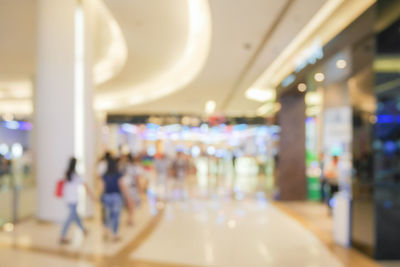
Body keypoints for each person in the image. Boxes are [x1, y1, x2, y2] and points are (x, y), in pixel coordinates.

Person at [60, 157, 95, 244]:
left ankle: (83, 230)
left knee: (76, 216)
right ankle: (62, 236)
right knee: (70, 218)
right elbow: (86, 186)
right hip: (74, 200)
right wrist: (92, 196)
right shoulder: (76, 176)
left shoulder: (67, 174)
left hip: (68, 199)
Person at [101, 157, 128, 241]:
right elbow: (122, 186)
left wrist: (102, 196)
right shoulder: (118, 174)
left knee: (108, 215)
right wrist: (126, 197)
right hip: (116, 196)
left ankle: (106, 231)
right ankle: (115, 234)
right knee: (116, 215)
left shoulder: (105, 175)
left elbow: (103, 187)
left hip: (107, 196)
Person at [123, 155, 143, 225]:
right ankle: (130, 218)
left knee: (129, 204)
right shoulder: (136, 168)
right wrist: (140, 188)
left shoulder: (124, 167)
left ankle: (130, 218)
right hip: (132, 188)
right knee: (131, 204)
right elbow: (138, 179)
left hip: (125, 188)